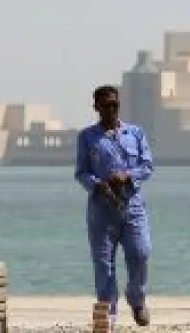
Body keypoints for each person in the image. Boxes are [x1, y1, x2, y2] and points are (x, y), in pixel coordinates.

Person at [74, 85, 155, 327]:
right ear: (96, 107)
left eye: (115, 104)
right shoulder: (87, 137)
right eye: (106, 105)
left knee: (140, 252)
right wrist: (98, 185)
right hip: (102, 209)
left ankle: (137, 299)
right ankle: (108, 315)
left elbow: (147, 166)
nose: (111, 109)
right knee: (104, 264)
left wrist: (127, 176)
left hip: (132, 206)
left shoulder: (135, 133)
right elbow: (81, 172)